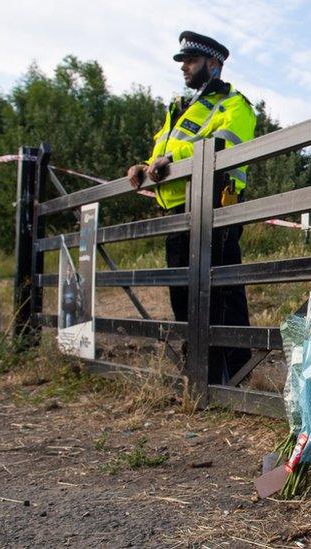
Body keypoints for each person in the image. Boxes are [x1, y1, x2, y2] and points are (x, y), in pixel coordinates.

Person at [126, 31, 254, 384]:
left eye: (191, 61)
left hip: (215, 206)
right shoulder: (180, 109)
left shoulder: (234, 103)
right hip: (177, 209)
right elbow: (161, 156)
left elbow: (223, 145)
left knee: (223, 292)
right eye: (182, 61)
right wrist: (144, 167)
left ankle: (236, 376)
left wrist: (172, 158)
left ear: (214, 65)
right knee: (182, 292)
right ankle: (199, 372)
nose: (184, 67)